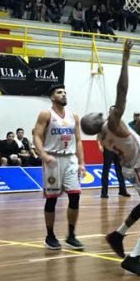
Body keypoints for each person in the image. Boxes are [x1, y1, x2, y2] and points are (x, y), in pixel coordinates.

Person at [83, 41, 140, 277]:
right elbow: (122, 91)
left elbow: (128, 136)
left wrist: (139, 124)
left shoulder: (103, 133)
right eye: (94, 114)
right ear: (94, 122)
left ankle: (117, 235)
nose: (98, 111)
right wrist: (125, 59)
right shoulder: (110, 122)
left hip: (134, 168)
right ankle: (134, 257)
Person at [33, 85, 85, 251]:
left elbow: (78, 140)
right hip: (52, 158)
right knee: (52, 199)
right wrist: (44, 155)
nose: (63, 95)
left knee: (75, 197)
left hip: (70, 159)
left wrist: (82, 163)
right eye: (59, 92)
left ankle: (71, 235)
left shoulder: (73, 115)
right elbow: (36, 136)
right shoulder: (46, 114)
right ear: (52, 97)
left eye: (64, 92)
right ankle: (50, 235)